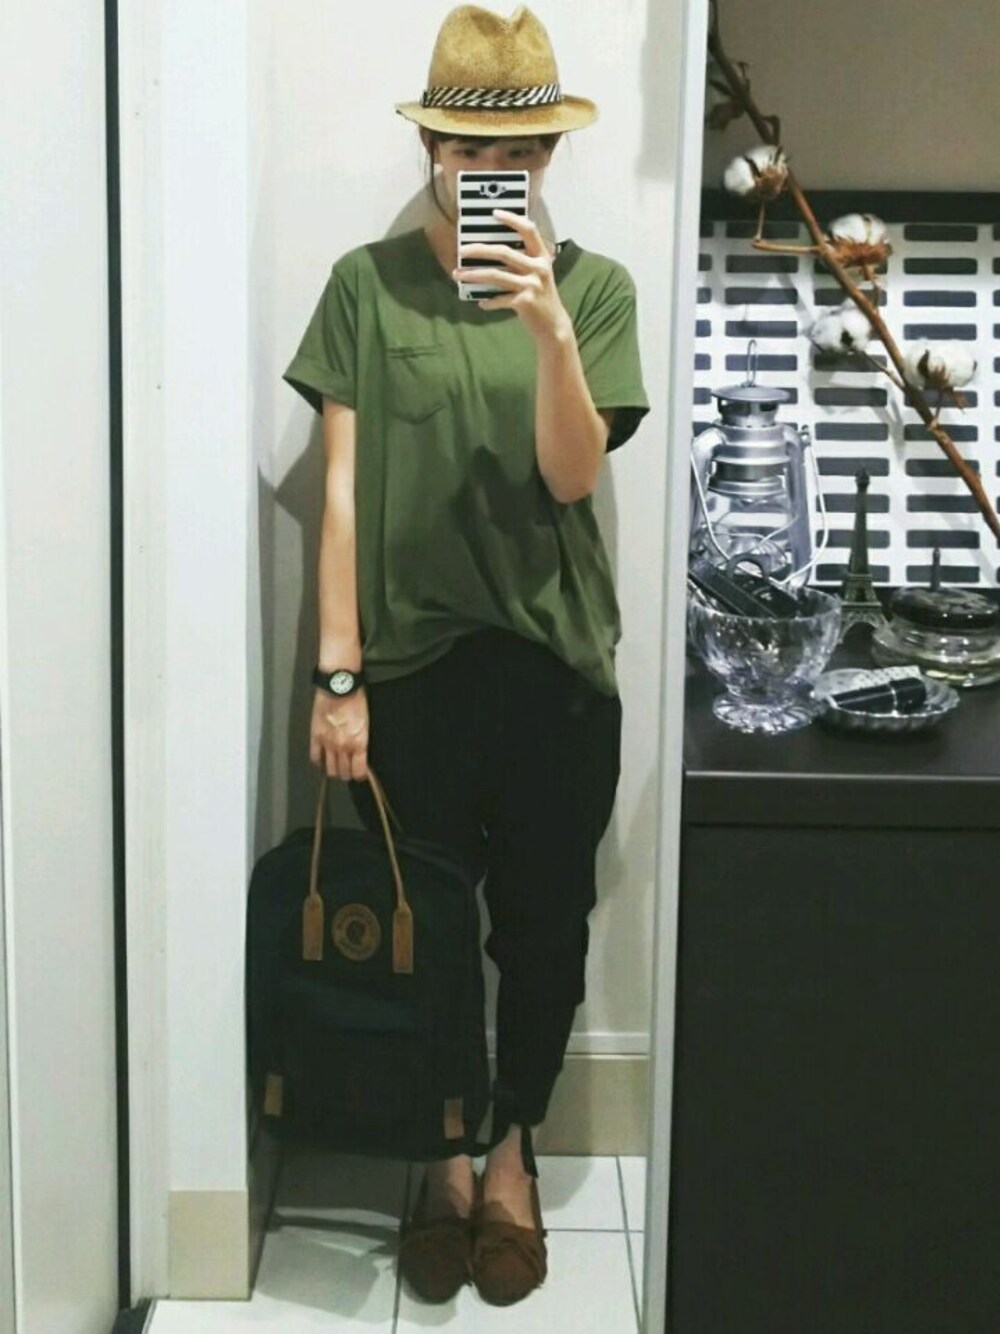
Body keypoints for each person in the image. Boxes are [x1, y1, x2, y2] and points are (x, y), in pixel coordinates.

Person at [283, 3, 649, 1308]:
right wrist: (338, 676)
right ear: (433, 147)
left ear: (549, 159)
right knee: (426, 933)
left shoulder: (593, 289)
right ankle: (439, 1157)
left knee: (543, 932)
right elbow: (340, 493)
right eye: (471, 149)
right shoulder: (364, 287)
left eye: (525, 154)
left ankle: (510, 1154)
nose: (497, 173)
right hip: (412, 673)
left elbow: (571, 476)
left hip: (554, 674)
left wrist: (549, 330)